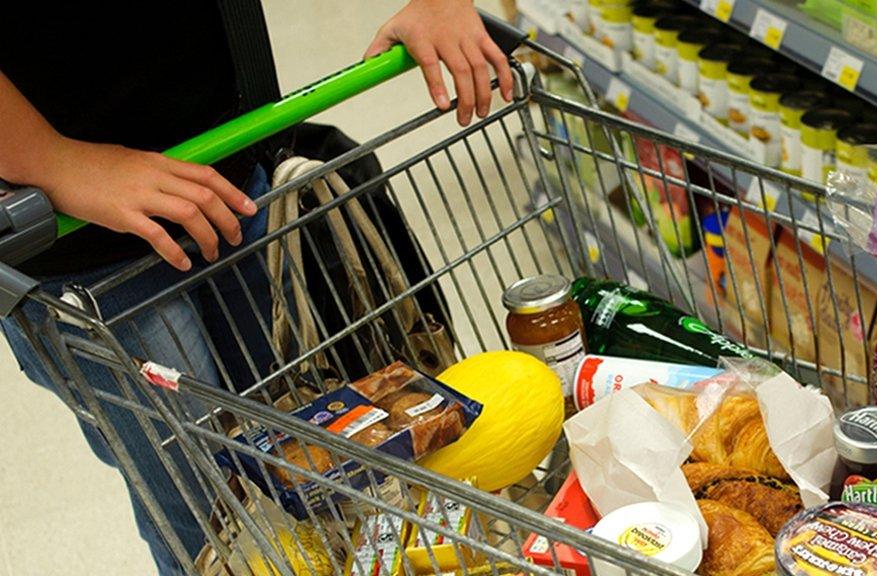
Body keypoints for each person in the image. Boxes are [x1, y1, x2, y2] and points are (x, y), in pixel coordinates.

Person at [0, 1, 513, 574]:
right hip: (82, 247)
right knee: (212, 521)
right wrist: (53, 160)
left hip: (236, 169)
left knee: (313, 466)